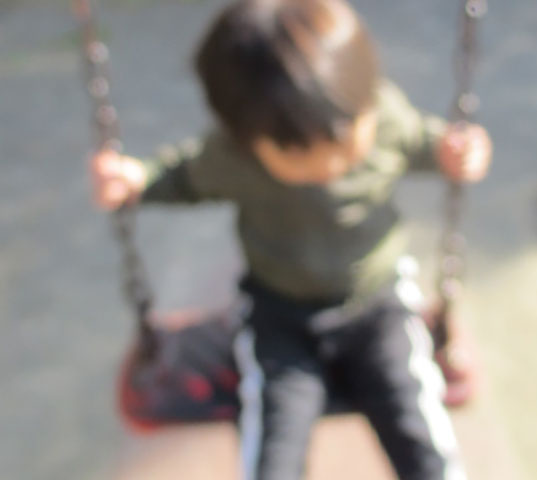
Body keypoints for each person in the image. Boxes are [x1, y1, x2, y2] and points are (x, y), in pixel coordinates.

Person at [91, 0, 492, 478]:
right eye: (301, 154)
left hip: (377, 306)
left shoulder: (385, 118)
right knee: (276, 444)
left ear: (366, 99)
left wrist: (457, 154)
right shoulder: (233, 159)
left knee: (416, 428)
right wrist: (136, 180)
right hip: (280, 317)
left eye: (346, 140)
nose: (331, 164)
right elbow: (183, 177)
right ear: (247, 140)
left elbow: (427, 144)